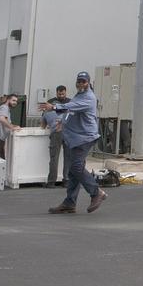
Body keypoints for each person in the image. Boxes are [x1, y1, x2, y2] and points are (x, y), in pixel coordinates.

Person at [39, 71, 106, 215]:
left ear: (88, 83)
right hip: (75, 138)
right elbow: (71, 112)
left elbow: (70, 107)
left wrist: (54, 107)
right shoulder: (79, 95)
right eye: (79, 81)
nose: (81, 84)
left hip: (84, 137)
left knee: (76, 167)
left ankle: (96, 193)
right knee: (72, 171)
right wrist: (61, 122)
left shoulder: (88, 97)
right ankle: (70, 203)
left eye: (84, 81)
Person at [42, 85, 69, 186]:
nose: (61, 95)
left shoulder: (50, 104)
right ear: (56, 93)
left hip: (58, 132)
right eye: (59, 93)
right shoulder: (69, 103)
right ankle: (66, 180)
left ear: (66, 92)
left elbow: (43, 123)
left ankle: (51, 182)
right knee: (67, 158)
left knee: (55, 157)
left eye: (63, 93)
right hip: (67, 132)